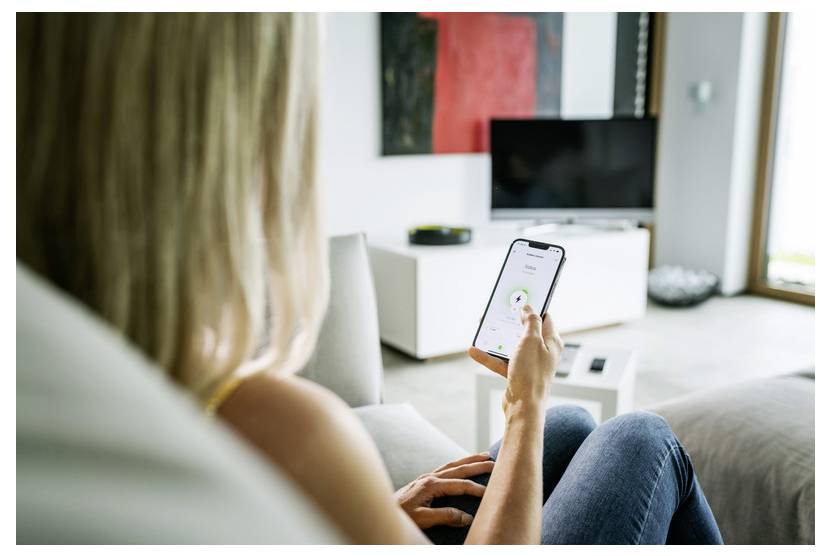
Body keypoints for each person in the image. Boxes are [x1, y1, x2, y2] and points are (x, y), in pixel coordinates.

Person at [16, 13, 723, 544]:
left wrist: (380, 512)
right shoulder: (281, 425)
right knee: (637, 437)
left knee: (572, 424)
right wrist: (522, 405)